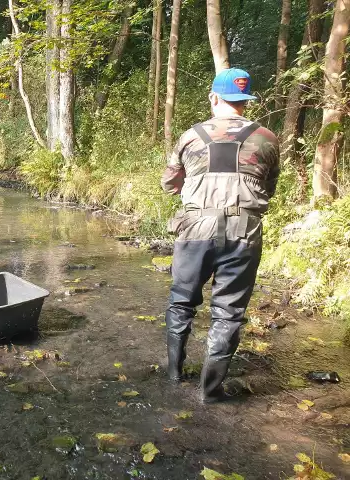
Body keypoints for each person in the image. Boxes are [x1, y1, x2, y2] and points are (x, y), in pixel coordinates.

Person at [161, 68, 280, 404]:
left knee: (181, 302)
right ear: (245, 101)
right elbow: (269, 188)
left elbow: (169, 184)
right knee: (228, 313)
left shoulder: (190, 136)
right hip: (245, 231)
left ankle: (173, 375)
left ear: (214, 98)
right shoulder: (267, 138)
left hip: (196, 228)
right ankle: (210, 392)